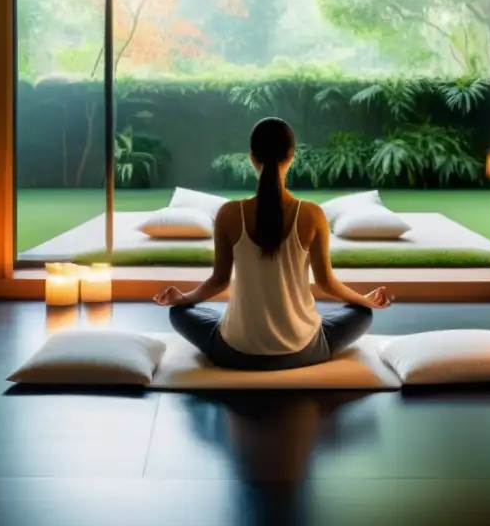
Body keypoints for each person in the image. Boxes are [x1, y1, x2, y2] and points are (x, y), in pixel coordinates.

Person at [154, 117, 393, 371]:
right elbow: (326, 283)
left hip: (235, 351)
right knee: (362, 314)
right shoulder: (312, 215)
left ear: (251, 157)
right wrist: (364, 300)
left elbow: (219, 282)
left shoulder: (229, 214)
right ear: (292, 156)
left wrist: (183, 298)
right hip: (303, 351)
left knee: (179, 312)